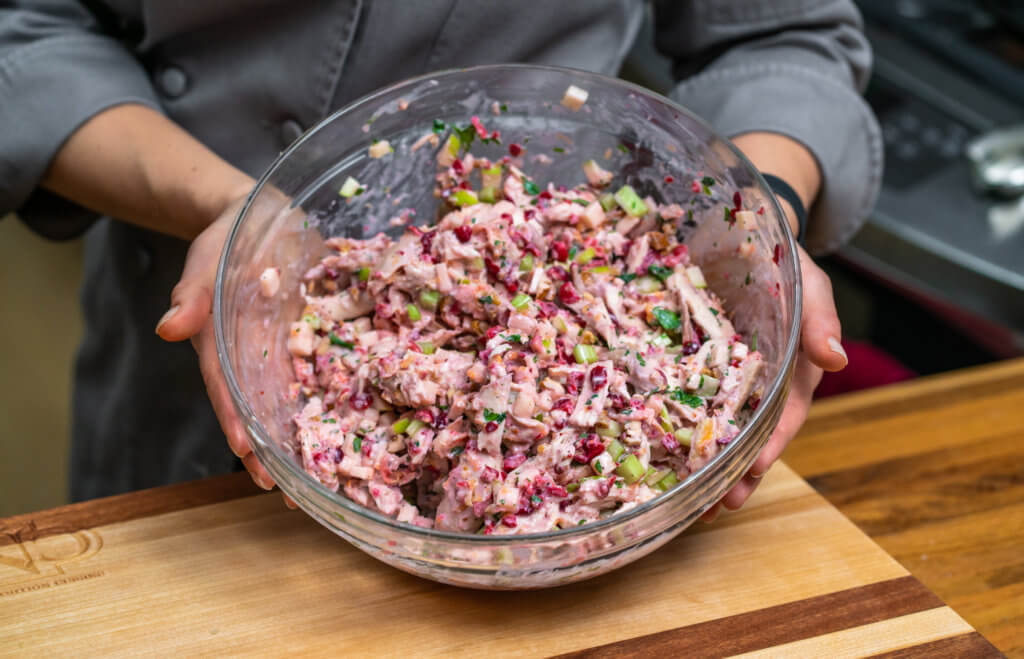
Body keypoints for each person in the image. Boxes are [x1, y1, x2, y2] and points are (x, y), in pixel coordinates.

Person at [0, 1, 877, 519]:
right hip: (182, 313)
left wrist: (755, 227)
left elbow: (780, 34)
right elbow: (27, 30)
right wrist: (231, 213)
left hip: (571, 241)